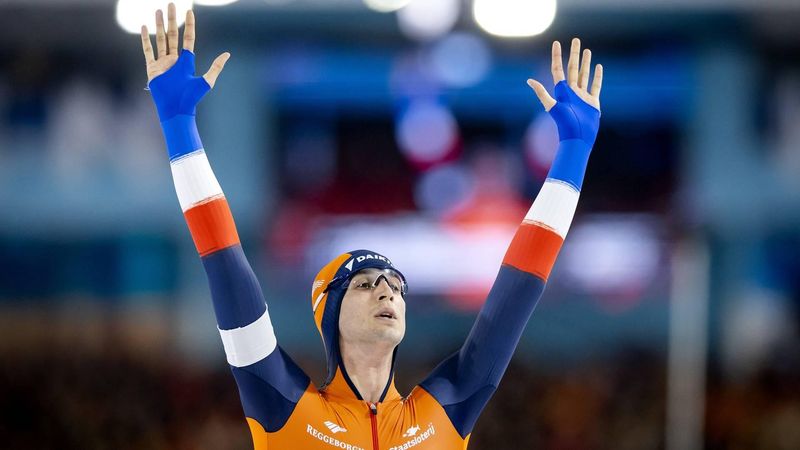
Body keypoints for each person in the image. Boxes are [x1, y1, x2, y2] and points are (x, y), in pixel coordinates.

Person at [140, 4, 602, 449]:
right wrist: (178, 125)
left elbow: (516, 294)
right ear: (328, 311)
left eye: (395, 285)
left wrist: (574, 151)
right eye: (363, 284)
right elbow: (225, 263)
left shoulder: (448, 408)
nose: (387, 292)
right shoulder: (281, 402)